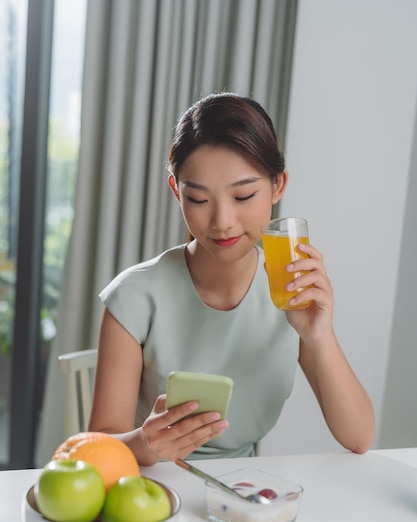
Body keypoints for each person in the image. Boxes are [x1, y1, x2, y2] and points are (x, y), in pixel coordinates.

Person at [89, 92, 374, 464]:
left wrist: (319, 334)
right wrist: (146, 444)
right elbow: (99, 444)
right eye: (199, 200)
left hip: (244, 489)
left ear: (278, 185)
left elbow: (359, 438)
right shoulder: (136, 295)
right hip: (152, 485)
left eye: (243, 196)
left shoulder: (290, 290)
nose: (222, 220)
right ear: (177, 191)